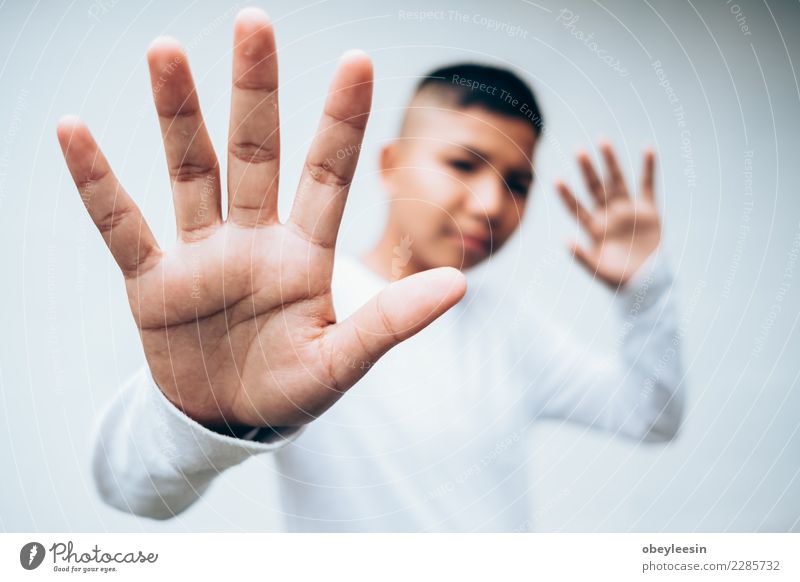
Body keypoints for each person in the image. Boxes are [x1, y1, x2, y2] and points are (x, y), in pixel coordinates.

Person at [57, 7, 684, 532]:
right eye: (464, 165)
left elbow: (651, 415)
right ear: (389, 163)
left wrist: (645, 291)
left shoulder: (509, 329)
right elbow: (128, 487)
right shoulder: (293, 309)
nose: (493, 204)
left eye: (517, 183)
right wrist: (204, 417)